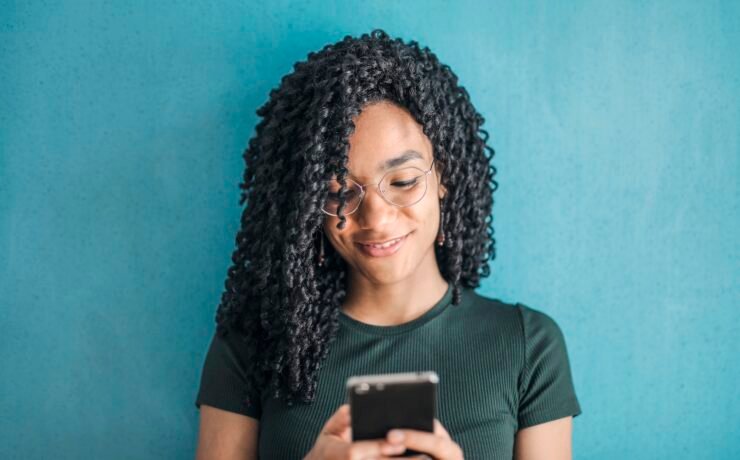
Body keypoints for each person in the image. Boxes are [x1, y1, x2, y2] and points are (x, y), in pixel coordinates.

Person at [194, 29, 582, 459]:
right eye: (339, 193)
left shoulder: (527, 345)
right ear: (308, 204)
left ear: (445, 178)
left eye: (402, 181)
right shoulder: (252, 345)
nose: (376, 219)